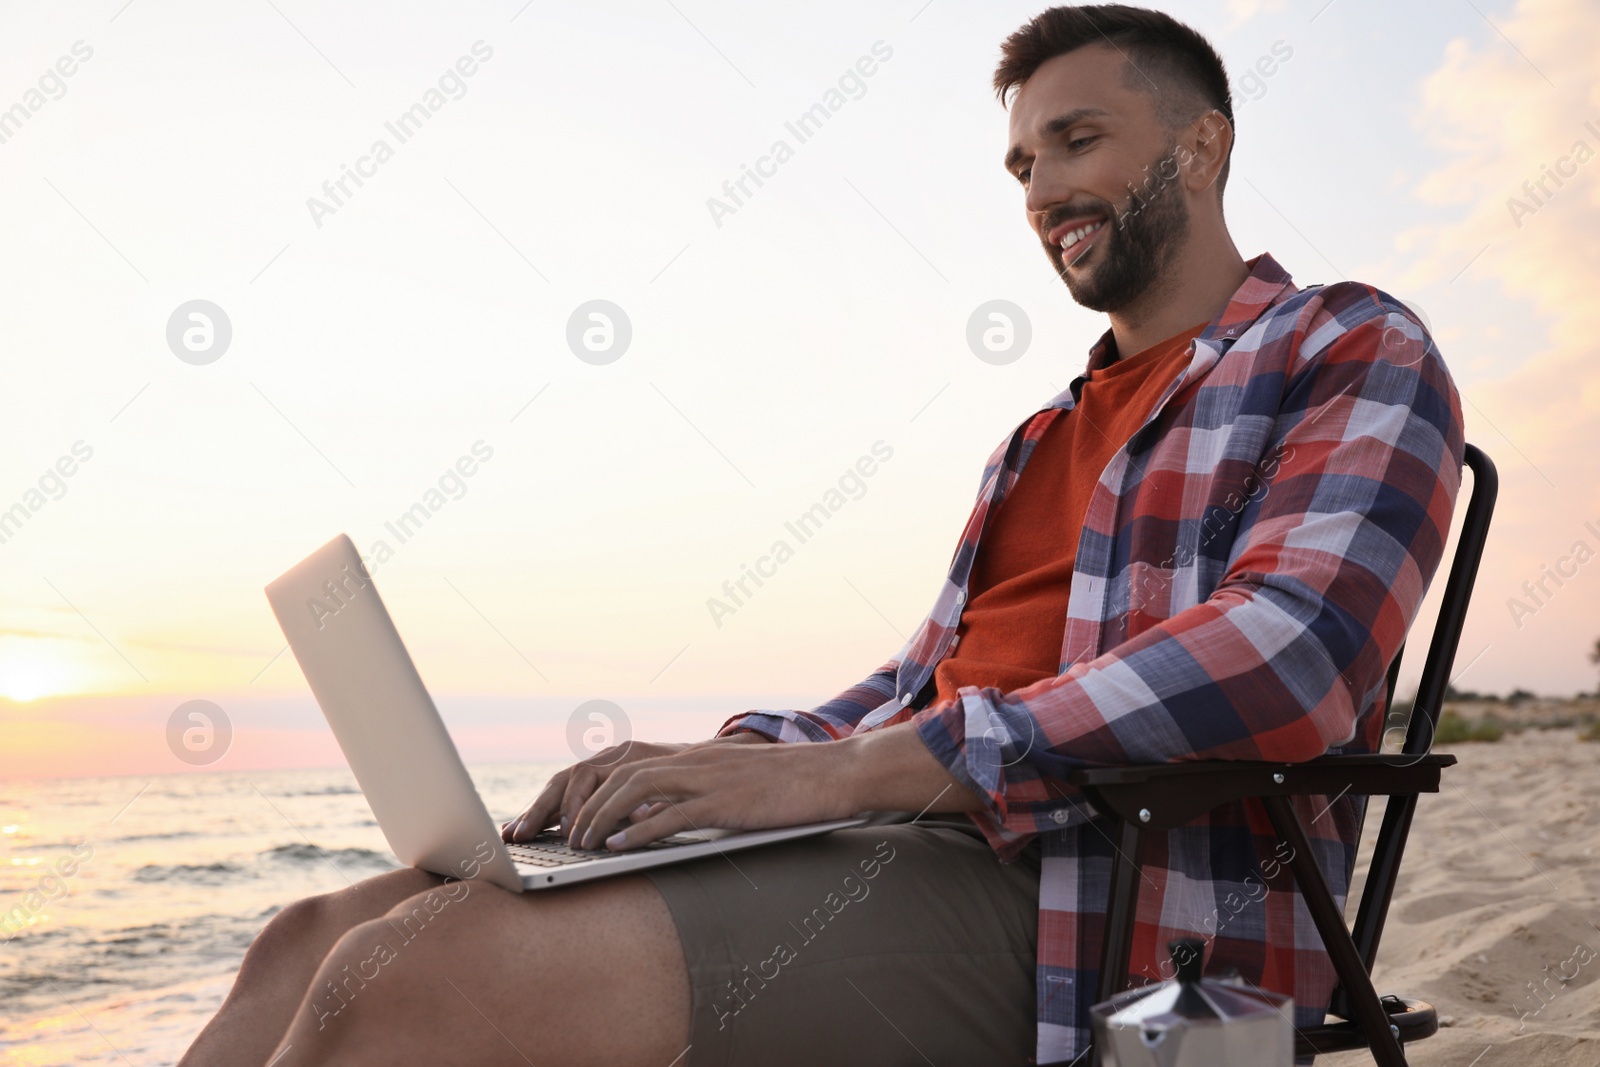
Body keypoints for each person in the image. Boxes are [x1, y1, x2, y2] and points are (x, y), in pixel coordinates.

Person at [179, 5, 1464, 1065]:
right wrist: (729, 760)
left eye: (1078, 140)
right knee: (312, 933)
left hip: (1120, 901)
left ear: (1201, 144)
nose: (1044, 189)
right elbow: (915, 685)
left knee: (430, 977)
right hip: (917, 839)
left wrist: (849, 775)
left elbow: (1292, 655)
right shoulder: (1036, 438)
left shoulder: (1346, 346)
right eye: (1022, 164)